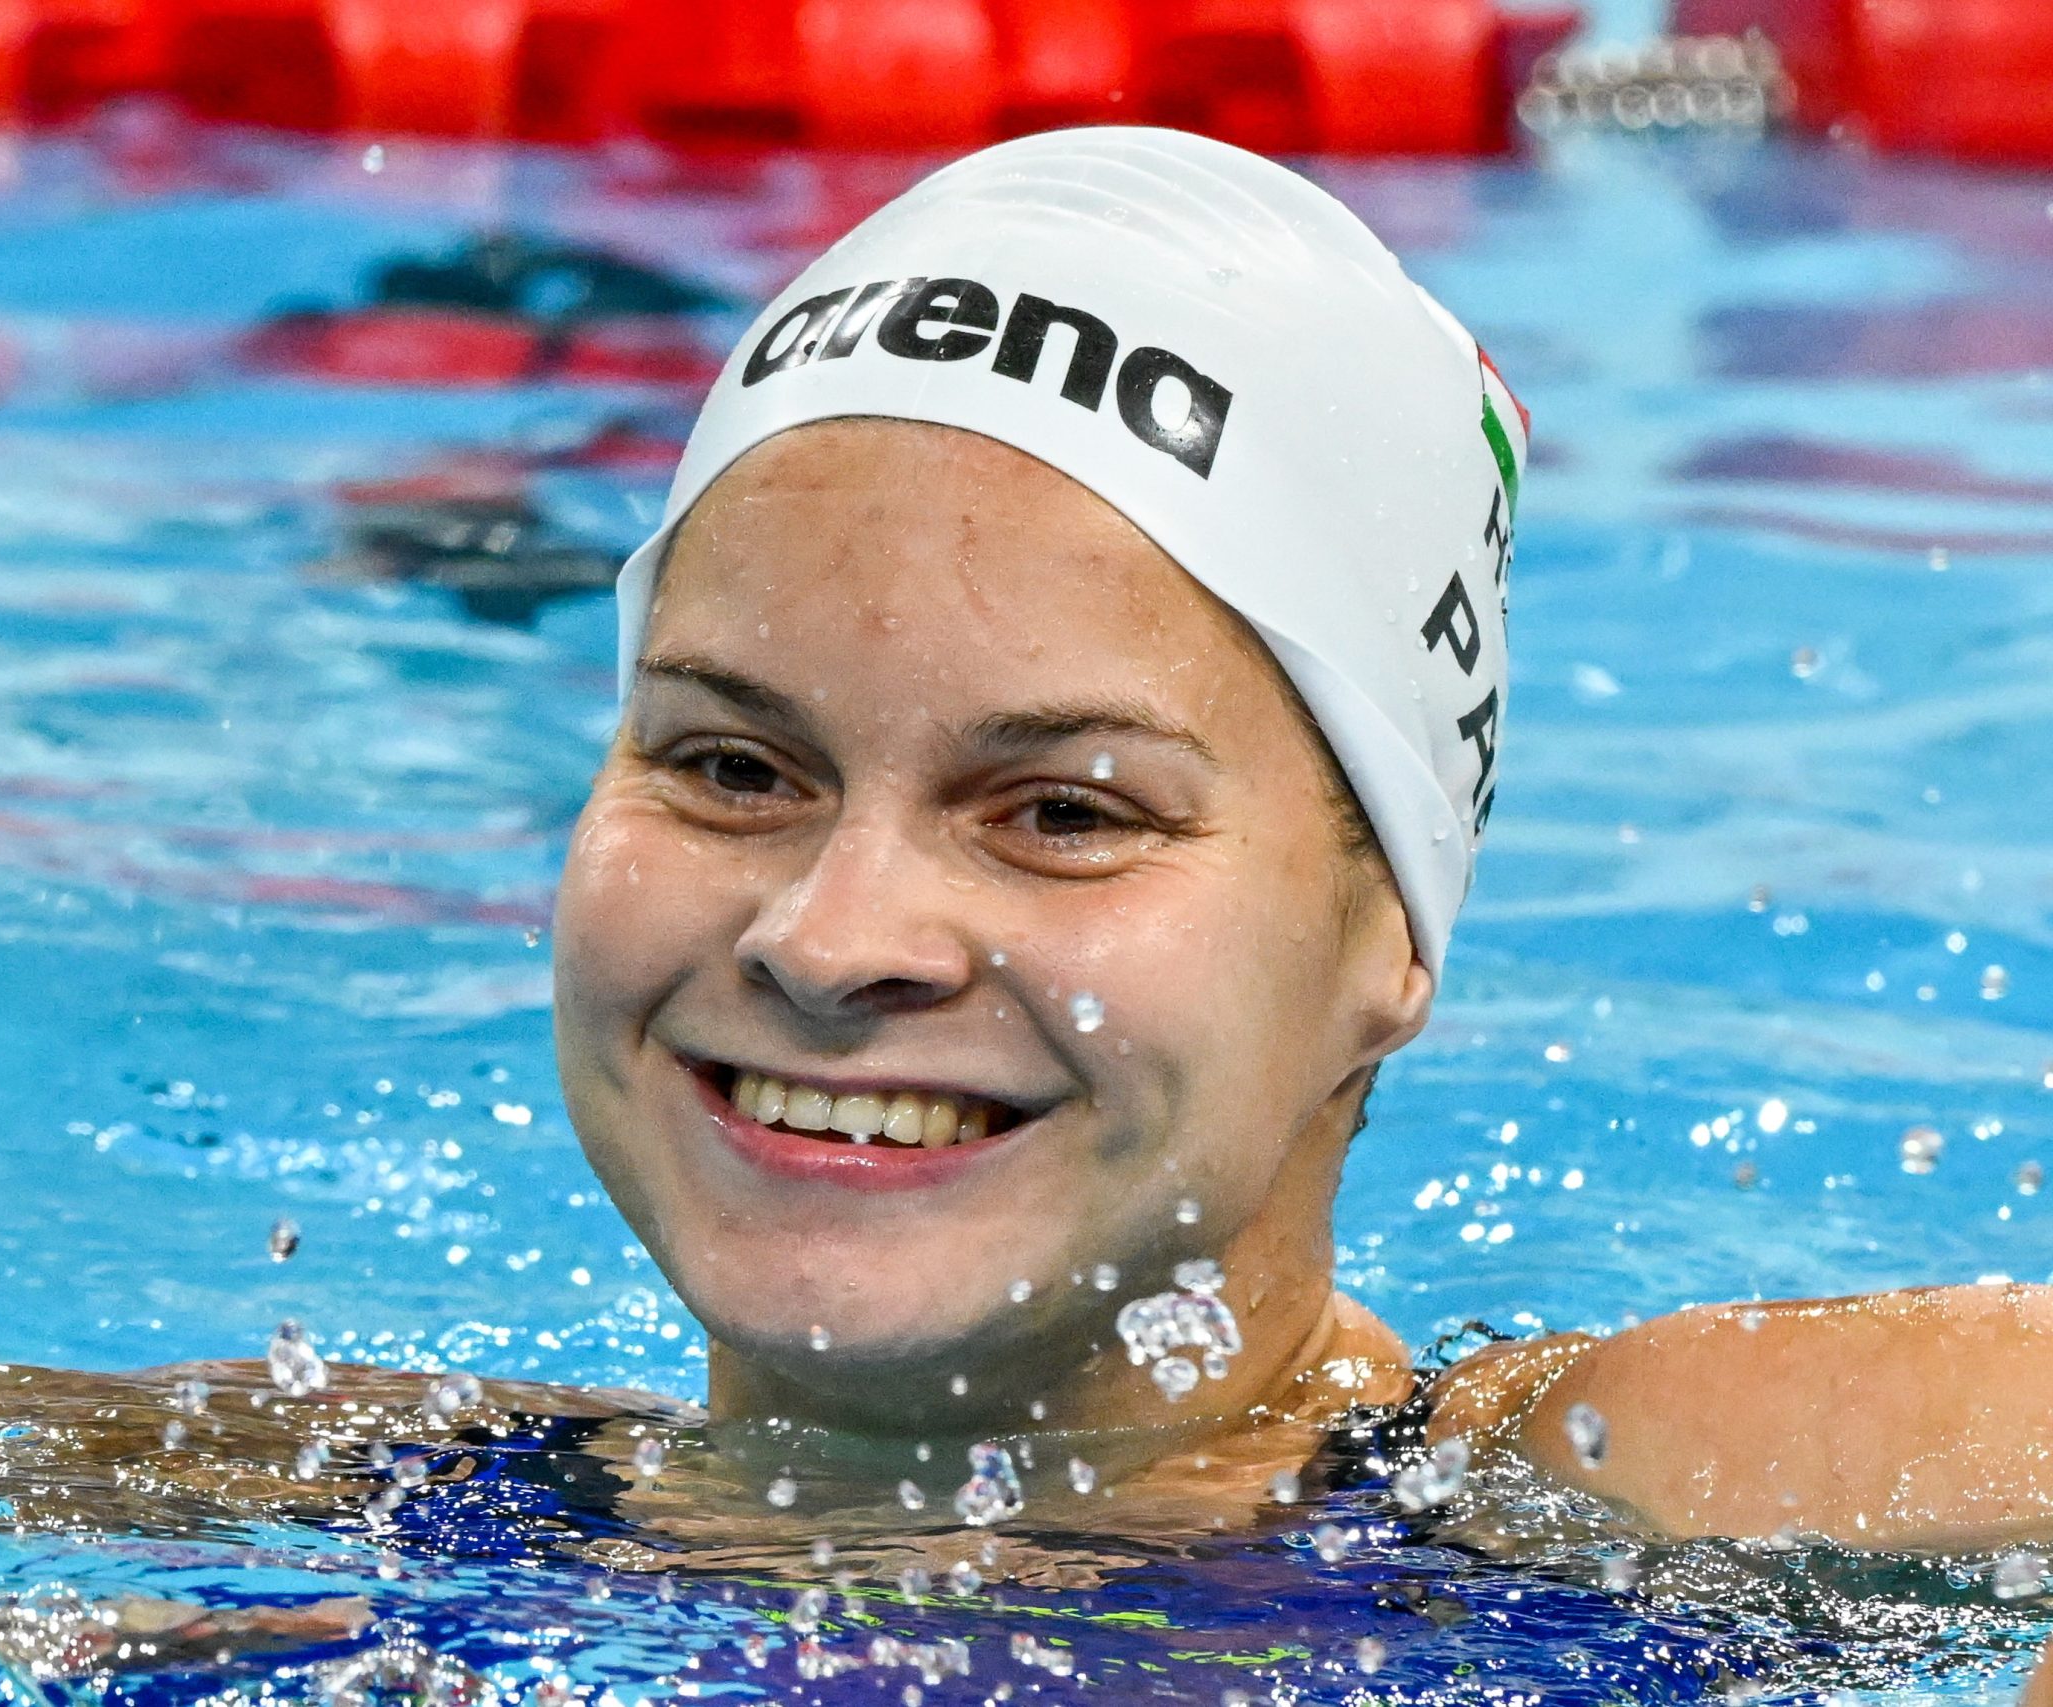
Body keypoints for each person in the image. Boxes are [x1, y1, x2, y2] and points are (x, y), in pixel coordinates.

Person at [552, 124, 2053, 1552]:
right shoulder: (426, 1503)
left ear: (1386, 924)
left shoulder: (1604, 1495)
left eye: (1067, 812)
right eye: (733, 768)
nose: (828, 942)